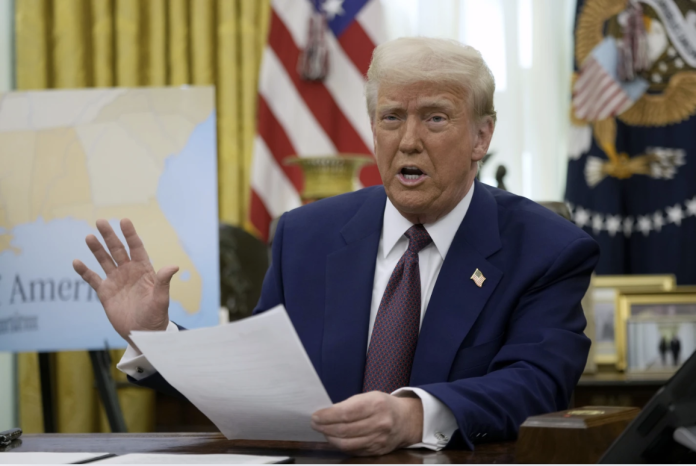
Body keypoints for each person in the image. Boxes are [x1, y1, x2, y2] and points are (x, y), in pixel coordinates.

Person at [73, 37, 599, 456]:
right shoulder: (306, 235)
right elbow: (259, 378)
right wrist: (154, 335)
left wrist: (414, 415)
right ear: (373, 128)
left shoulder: (546, 249)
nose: (408, 140)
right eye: (392, 117)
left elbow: (538, 383)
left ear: (481, 137)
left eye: (435, 118)